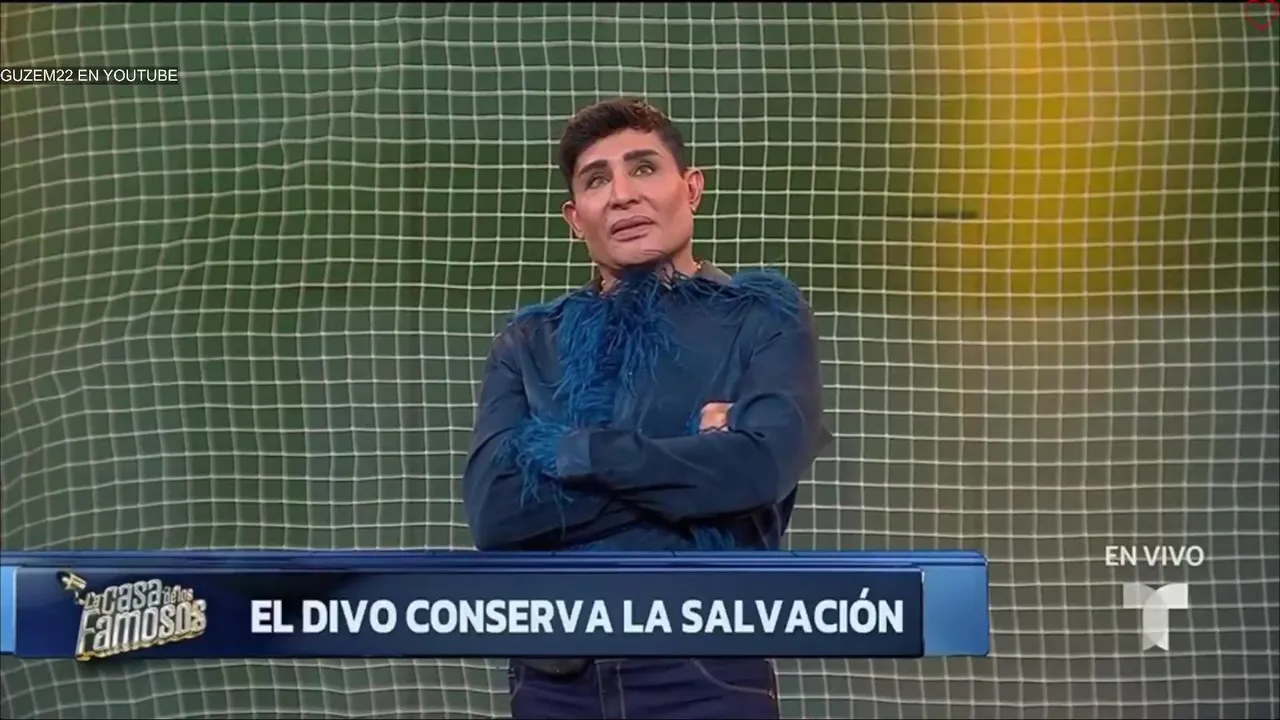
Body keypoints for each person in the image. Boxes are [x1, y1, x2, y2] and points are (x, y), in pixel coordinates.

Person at [462, 97, 832, 720]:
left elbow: (759, 469)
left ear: (691, 188)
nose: (622, 195)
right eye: (596, 180)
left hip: (706, 670)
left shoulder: (763, 316)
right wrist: (693, 454)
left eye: (643, 168)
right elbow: (496, 515)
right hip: (555, 678)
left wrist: (574, 451)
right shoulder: (528, 342)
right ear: (574, 218)